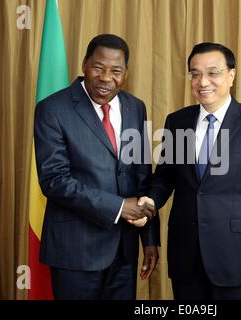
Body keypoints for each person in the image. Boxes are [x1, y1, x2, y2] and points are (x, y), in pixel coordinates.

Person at [136, 42, 241, 300]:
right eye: (195, 73)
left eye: (213, 73)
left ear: (231, 75)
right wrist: (151, 200)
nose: (203, 82)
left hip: (236, 256)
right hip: (185, 254)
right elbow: (165, 177)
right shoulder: (177, 121)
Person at [34, 34, 159, 300]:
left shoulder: (135, 107)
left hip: (124, 253)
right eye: (98, 68)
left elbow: (141, 175)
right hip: (75, 252)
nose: (106, 78)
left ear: (126, 73)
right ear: (84, 64)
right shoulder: (52, 109)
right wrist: (119, 207)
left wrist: (149, 238)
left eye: (116, 70)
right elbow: (54, 180)